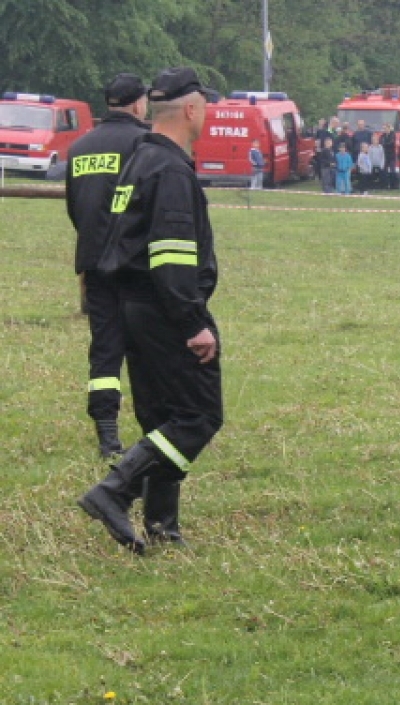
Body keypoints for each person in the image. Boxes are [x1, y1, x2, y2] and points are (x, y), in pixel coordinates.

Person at [79, 67, 224, 554]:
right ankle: (114, 492)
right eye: (206, 107)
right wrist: (192, 322)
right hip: (165, 309)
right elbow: (172, 255)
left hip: (132, 306)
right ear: (191, 109)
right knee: (197, 416)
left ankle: (163, 525)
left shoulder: (139, 160)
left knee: (163, 417)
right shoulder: (170, 170)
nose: (207, 115)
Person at [65, 72, 150, 459]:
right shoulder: (144, 143)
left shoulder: (80, 147)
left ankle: (107, 434)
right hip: (135, 263)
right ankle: (157, 427)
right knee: (147, 345)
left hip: (95, 261)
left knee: (105, 348)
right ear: (138, 103)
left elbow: (75, 207)